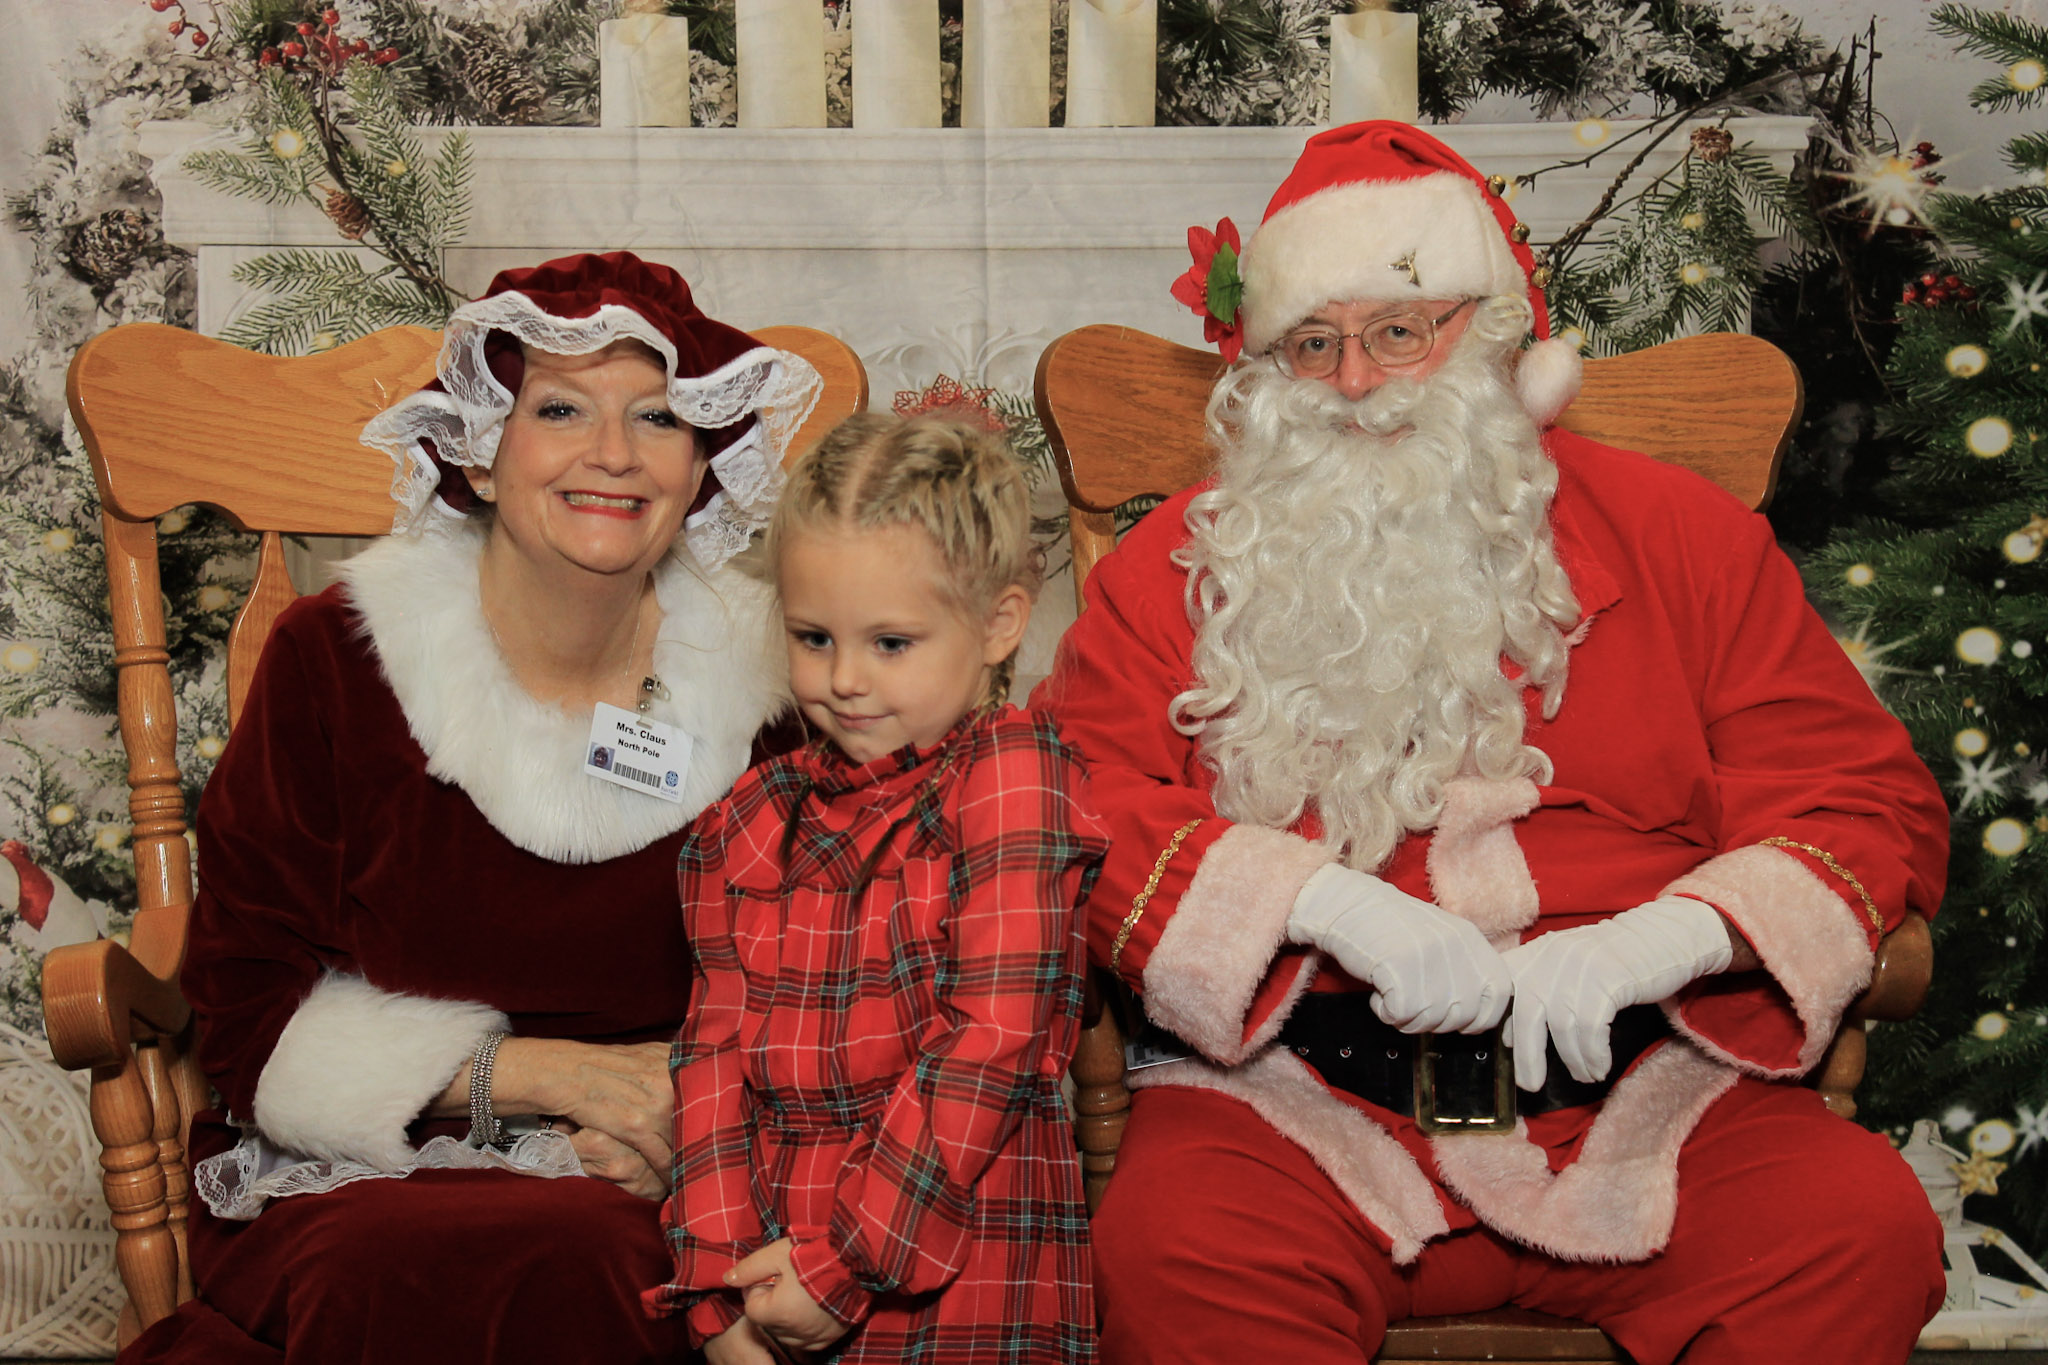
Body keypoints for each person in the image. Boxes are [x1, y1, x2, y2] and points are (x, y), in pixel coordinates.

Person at [1033, 123, 1952, 1364]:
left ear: (1498, 331)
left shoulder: (1682, 539)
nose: (1355, 384)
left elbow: (1858, 797)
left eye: (1400, 331)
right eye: (1313, 344)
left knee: (1853, 1232)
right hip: (1296, 1108)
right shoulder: (1179, 570)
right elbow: (1062, 803)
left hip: (1657, 1099)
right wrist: (1306, 901)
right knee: (1174, 1258)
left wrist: (1677, 934)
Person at [124, 251, 820, 1365]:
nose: (612, 454)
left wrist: (696, 1120)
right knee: (454, 1261)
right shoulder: (337, 659)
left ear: (702, 468)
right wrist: (534, 1074)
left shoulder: (772, 686)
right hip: (366, 1169)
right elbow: (248, 1010)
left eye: (656, 415)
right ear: (480, 456)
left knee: (624, 1263)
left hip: (673, 1174)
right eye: (559, 408)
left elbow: (839, 975)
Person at [645, 414, 1107, 1364]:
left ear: (998, 625)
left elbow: (991, 1042)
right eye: (814, 637)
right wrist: (720, 1292)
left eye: (891, 643)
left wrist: (847, 1266)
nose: (845, 679)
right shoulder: (747, 822)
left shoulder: (1012, 777)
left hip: (961, 1246)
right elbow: (713, 1061)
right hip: (772, 1270)